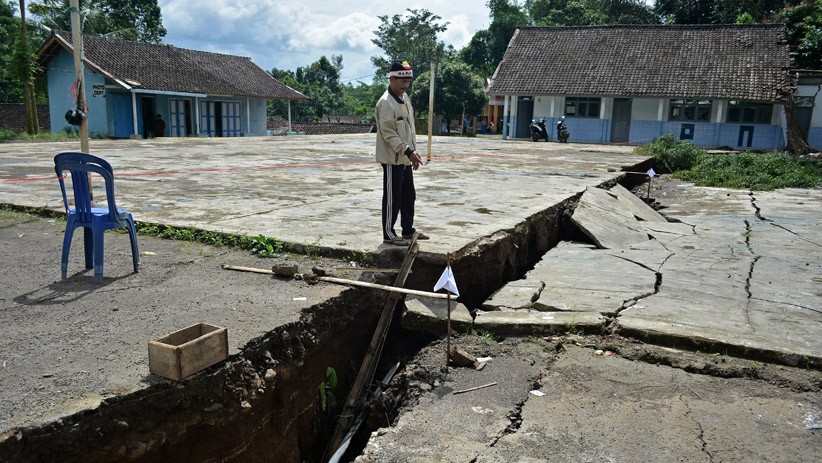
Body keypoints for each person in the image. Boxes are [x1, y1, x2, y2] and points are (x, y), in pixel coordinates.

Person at [375, 60, 429, 246]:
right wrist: (407, 151)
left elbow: (409, 129)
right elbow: (389, 134)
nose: (405, 85)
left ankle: (408, 230)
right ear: (391, 79)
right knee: (393, 197)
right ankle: (388, 233)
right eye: (402, 81)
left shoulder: (405, 99)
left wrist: (412, 152)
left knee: (409, 195)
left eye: (408, 81)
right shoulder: (385, 103)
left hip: (405, 157)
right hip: (393, 158)